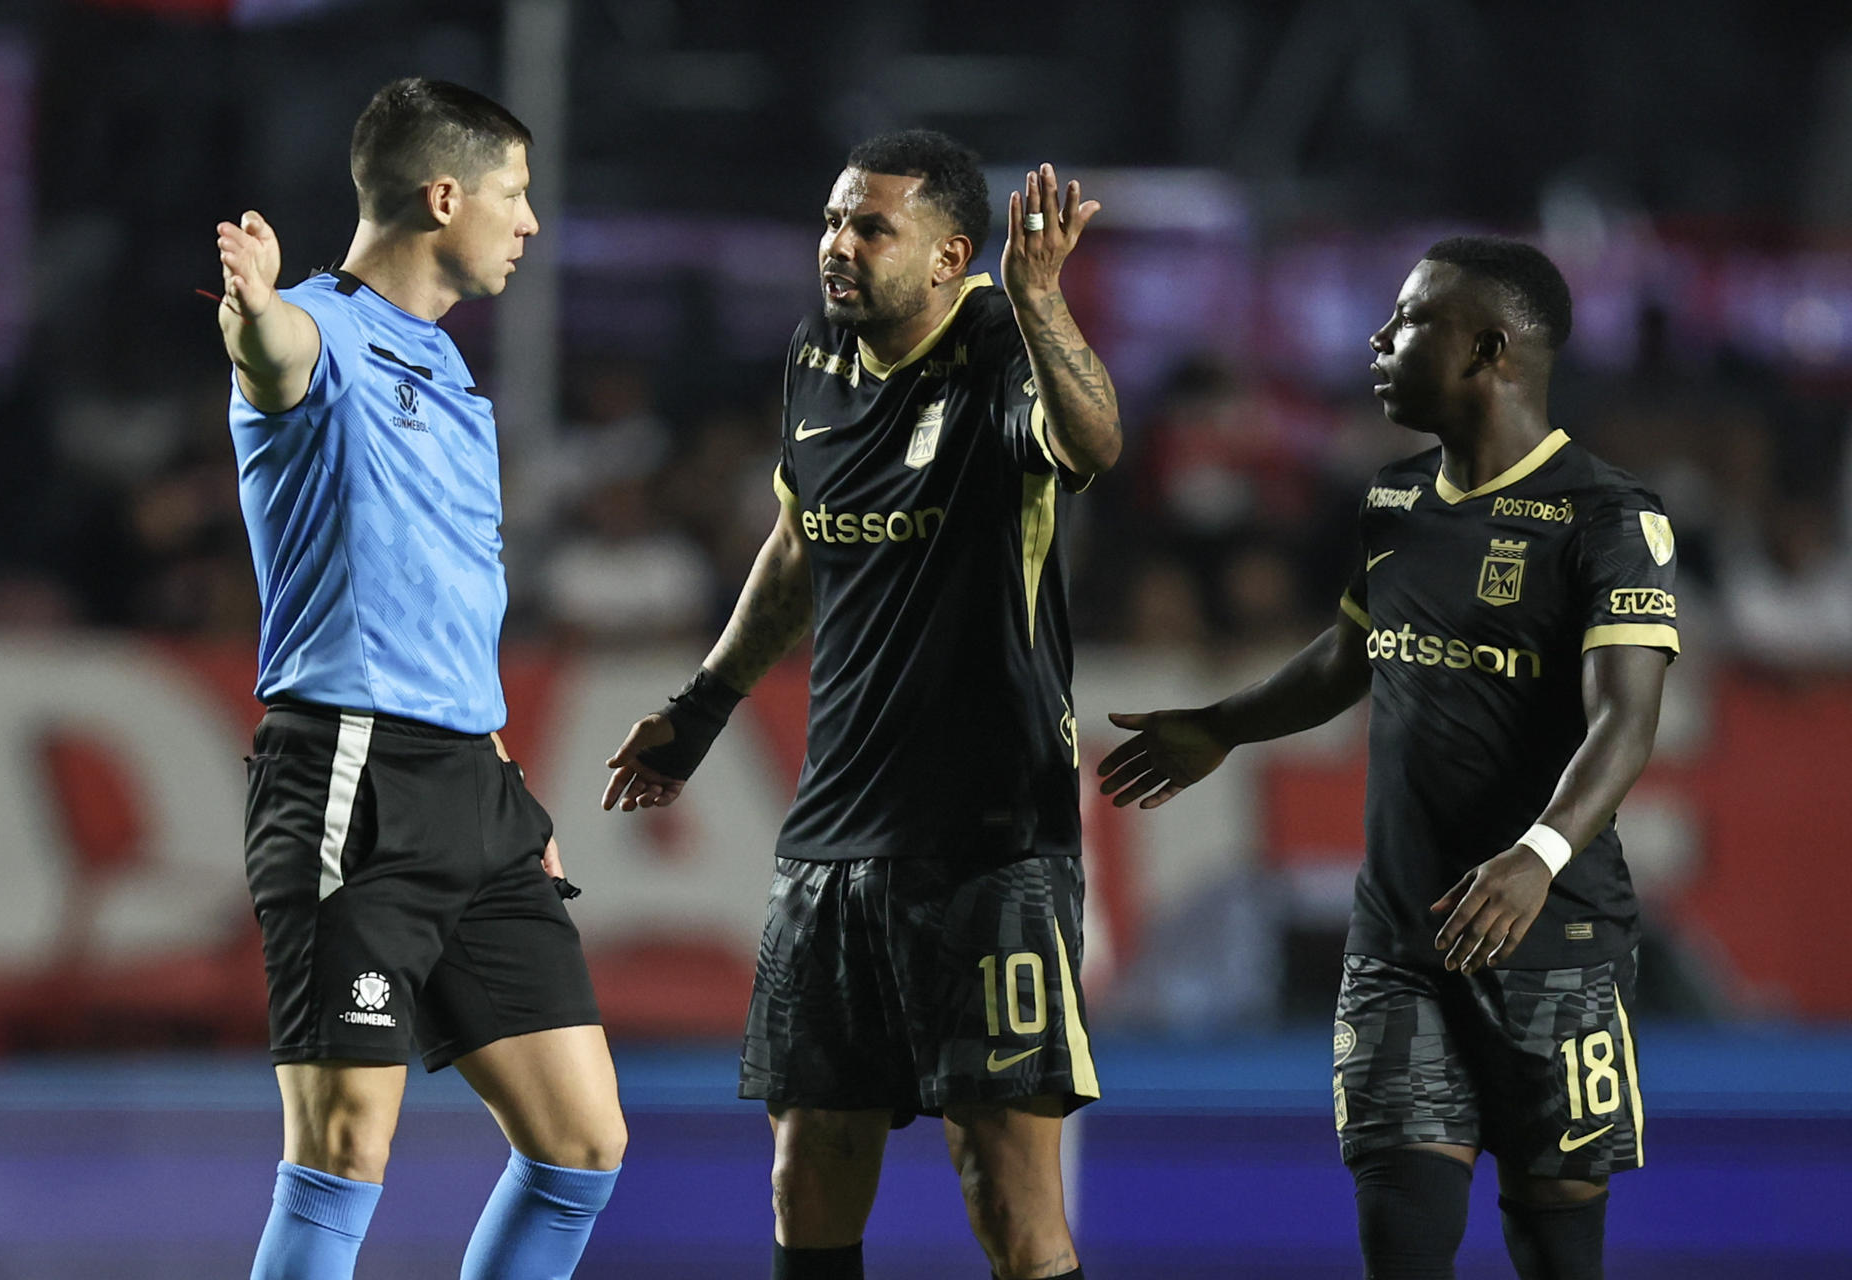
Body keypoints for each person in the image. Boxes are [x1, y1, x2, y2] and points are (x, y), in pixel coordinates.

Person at [1100, 237, 1677, 1280]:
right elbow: (1352, 655)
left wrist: (1538, 853)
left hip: (1555, 935)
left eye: (1410, 319)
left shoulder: (1609, 518)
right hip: (1399, 944)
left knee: (1557, 1245)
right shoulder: (1394, 500)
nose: (1379, 337)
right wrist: (1225, 722)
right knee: (1401, 1242)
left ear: (1489, 349)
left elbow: (1624, 723)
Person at [603, 131, 1121, 1280]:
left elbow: (1095, 443)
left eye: (871, 226)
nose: (839, 245)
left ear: (950, 255)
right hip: (832, 836)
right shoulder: (817, 357)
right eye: (834, 220)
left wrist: (1041, 299)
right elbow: (799, 544)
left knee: (1003, 1183)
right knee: (806, 1167)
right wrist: (701, 707)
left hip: (989, 842)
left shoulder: (1001, 346)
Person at [218, 78, 625, 1280]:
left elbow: (439, 609)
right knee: (345, 1148)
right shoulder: (316, 325)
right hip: (354, 777)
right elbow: (272, 357)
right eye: (515, 195)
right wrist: (249, 312)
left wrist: (505, 788)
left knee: (581, 1145)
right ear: (443, 196)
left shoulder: (451, 376)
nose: (531, 223)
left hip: (477, 790)